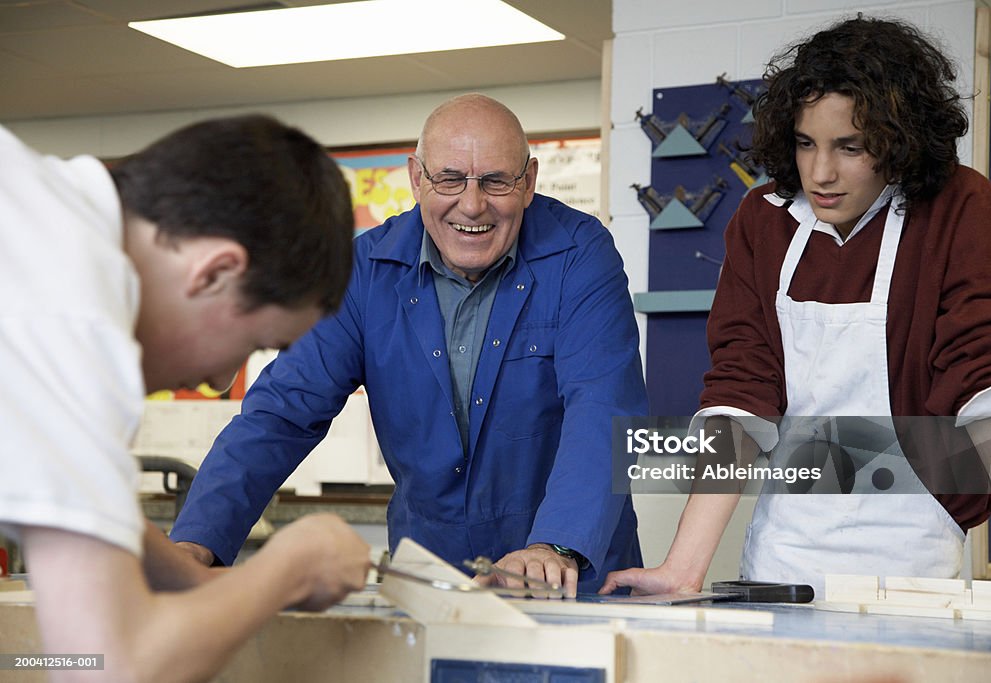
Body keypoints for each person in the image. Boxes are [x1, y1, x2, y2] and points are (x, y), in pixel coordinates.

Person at [601, 15, 991, 598]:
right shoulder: (763, 220)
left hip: (916, 556)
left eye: (850, 148)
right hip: (783, 554)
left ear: (898, 144)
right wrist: (684, 567)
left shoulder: (963, 210)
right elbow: (740, 393)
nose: (820, 174)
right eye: (805, 144)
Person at [170, 93, 648, 597]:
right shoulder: (364, 272)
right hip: (432, 576)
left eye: (495, 181)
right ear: (416, 178)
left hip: (569, 572)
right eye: (448, 179)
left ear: (528, 182)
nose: (472, 204)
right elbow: (282, 411)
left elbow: (605, 407)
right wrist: (196, 542)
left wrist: (555, 545)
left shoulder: (579, 254)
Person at [0, 115, 371, 681]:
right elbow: (109, 668)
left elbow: (67, 490)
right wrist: (290, 568)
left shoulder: (35, 211)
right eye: (253, 343)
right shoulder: (76, 319)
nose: (222, 381)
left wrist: (188, 576)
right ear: (215, 271)